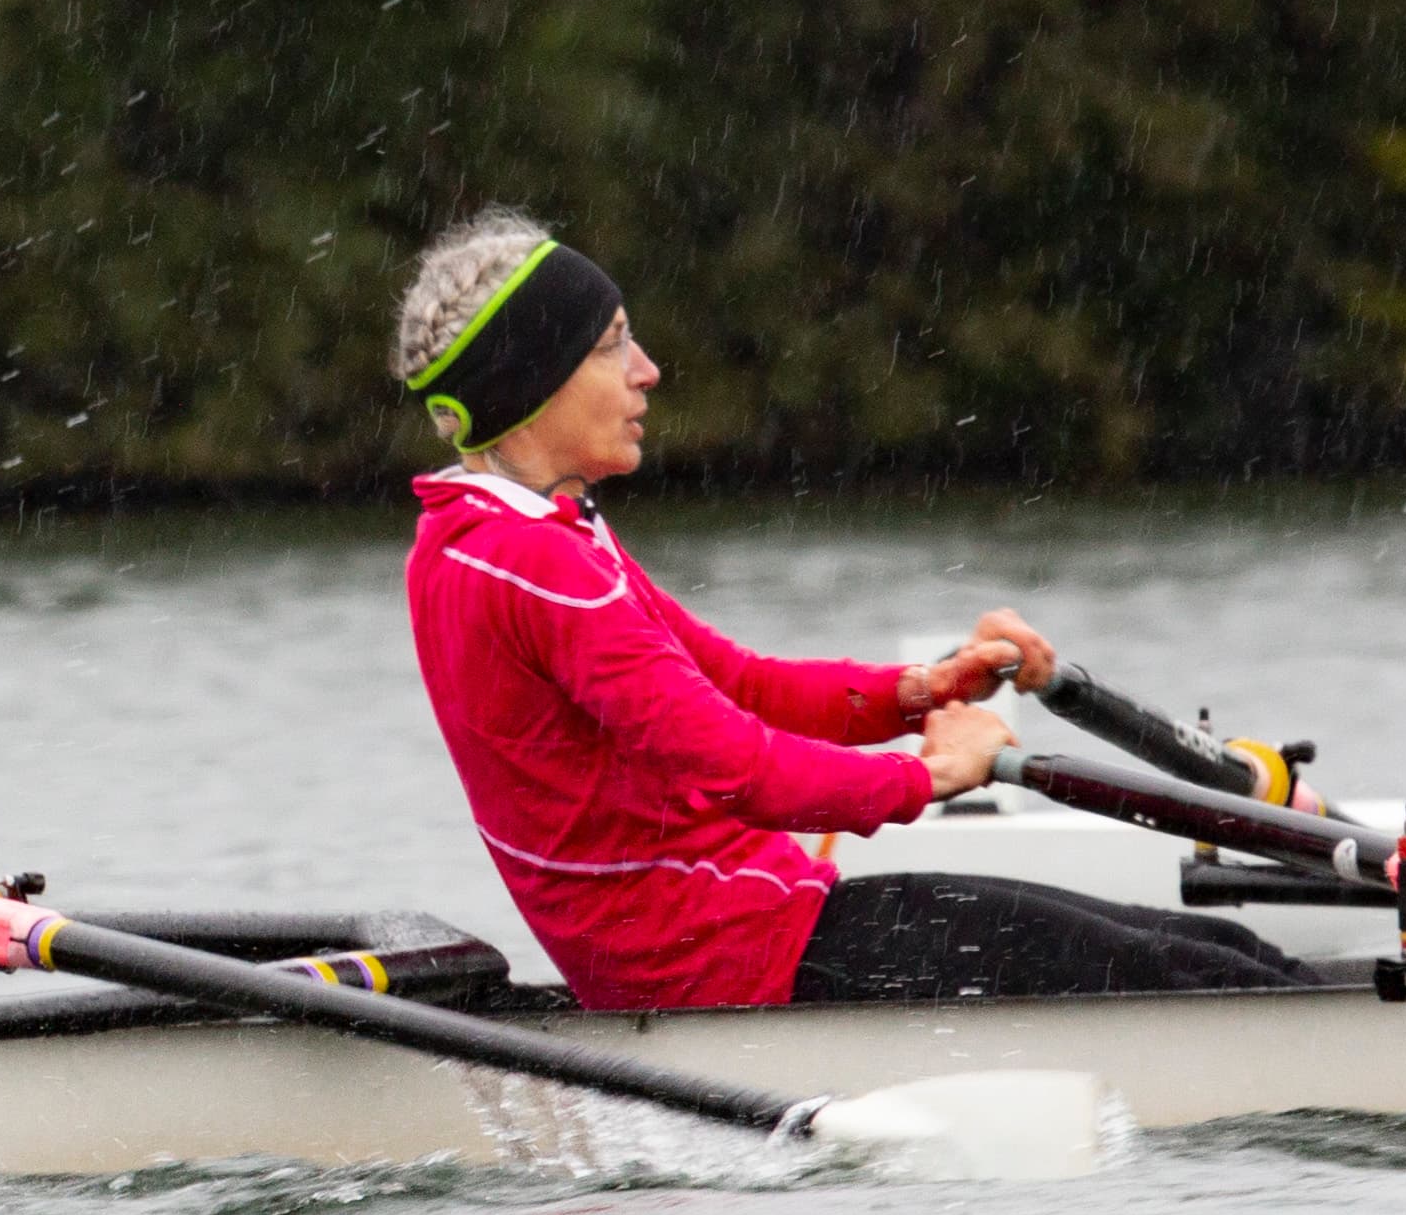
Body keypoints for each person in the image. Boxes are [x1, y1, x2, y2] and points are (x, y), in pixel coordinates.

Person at [392, 210, 1317, 1009]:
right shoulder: (532, 565)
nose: (648, 370)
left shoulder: (491, 537)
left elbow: (738, 686)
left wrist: (920, 690)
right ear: (530, 385)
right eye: (611, 346)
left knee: (1219, 955)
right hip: (725, 964)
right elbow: (738, 767)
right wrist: (932, 778)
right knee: (1199, 974)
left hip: (754, 928)